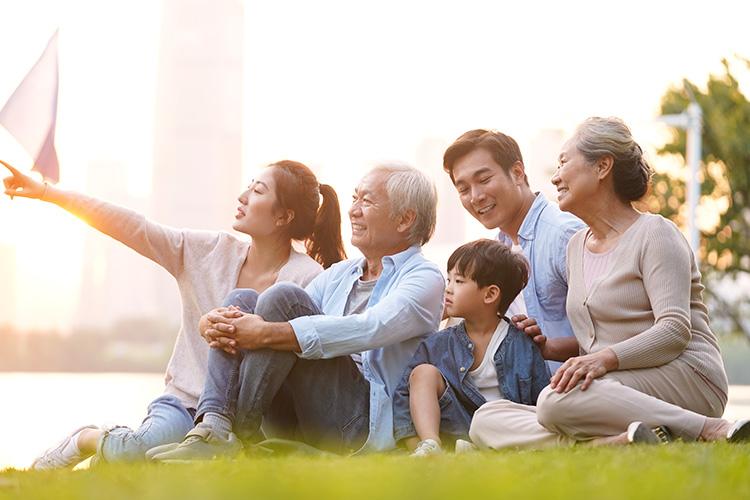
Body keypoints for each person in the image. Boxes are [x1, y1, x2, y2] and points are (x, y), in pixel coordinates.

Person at [1, 159, 346, 468]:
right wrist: (48, 193)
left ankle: (210, 441)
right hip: (185, 402)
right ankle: (88, 438)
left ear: (283, 216)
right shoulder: (206, 252)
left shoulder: (307, 279)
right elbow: (132, 226)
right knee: (140, 452)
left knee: (180, 464)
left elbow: (319, 359)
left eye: (257, 191)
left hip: (255, 414)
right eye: (248, 186)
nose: (243, 196)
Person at [468, 117, 750, 449]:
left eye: (564, 163)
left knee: (555, 402)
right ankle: (619, 440)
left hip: (683, 374)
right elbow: (595, 343)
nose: (555, 177)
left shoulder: (656, 234)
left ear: (602, 166)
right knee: (486, 419)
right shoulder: (577, 247)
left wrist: (602, 361)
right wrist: (549, 348)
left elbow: (674, 330)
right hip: (617, 385)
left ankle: (708, 427)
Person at [147, 162, 445, 461]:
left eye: (366, 201)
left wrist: (267, 333)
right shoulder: (340, 274)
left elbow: (371, 328)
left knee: (283, 297)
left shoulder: (424, 278)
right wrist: (213, 322)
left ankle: (231, 434)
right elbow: (269, 314)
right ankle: (214, 424)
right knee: (244, 299)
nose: (353, 210)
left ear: (405, 219)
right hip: (302, 414)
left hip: (359, 425)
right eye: (354, 198)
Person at [392, 239, 549, 456]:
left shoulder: (521, 343)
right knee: (422, 372)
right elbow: (403, 394)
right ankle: (430, 446)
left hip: (504, 427)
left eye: (459, 281)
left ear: (490, 294)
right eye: (449, 279)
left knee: (504, 419)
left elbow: (542, 401)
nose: (448, 289)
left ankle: (492, 449)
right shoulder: (439, 344)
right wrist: (414, 442)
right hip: (458, 427)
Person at [443, 130, 584, 370]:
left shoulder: (564, 234)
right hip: (527, 394)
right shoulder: (498, 250)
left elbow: (611, 336)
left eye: (484, 180)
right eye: (464, 189)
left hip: (577, 389)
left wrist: (549, 346)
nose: (475, 197)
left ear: (517, 173)